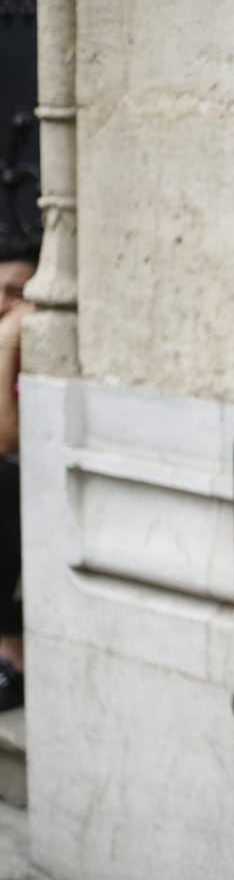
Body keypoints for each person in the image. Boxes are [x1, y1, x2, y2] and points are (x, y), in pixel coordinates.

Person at [0, 236, 37, 710]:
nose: (5, 304)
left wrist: (7, 340)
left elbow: (5, 437)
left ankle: (15, 659)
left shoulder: (21, 342)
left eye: (16, 291)